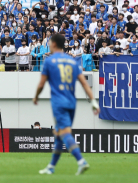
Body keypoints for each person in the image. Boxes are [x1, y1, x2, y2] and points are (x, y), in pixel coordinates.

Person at [34, 33, 99, 176]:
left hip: (59, 102)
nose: (48, 45)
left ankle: (81, 161)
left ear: (54, 44)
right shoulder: (71, 61)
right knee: (58, 135)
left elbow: (41, 84)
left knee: (64, 133)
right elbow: (84, 83)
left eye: (49, 43)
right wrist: (93, 100)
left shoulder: (50, 61)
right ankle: (51, 167)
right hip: (72, 102)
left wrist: (36, 97)